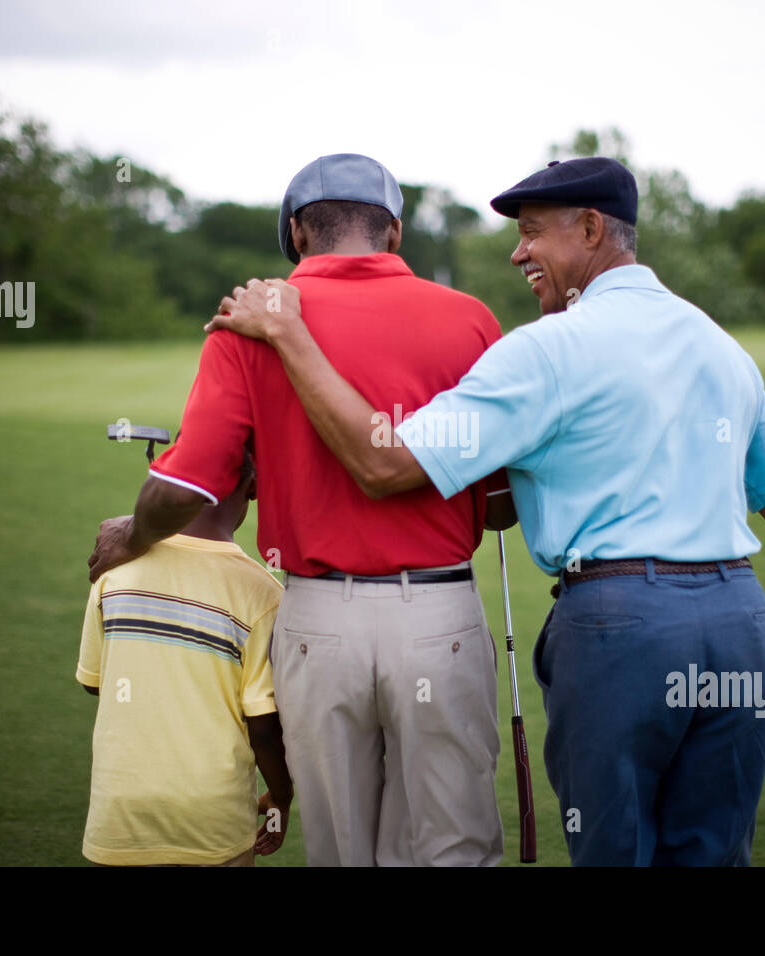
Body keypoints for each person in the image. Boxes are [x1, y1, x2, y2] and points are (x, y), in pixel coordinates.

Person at [205, 156, 765, 867]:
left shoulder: (546, 351)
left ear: (589, 229)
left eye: (531, 233)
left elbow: (385, 463)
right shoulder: (722, 347)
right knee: (715, 854)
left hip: (621, 629)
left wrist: (289, 335)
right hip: (739, 626)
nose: (518, 251)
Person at [87, 153, 515, 867]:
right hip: (440, 618)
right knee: (453, 847)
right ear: (394, 231)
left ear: (296, 232)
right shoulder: (470, 319)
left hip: (319, 623)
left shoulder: (250, 320)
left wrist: (133, 533)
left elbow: (192, 486)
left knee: (341, 854)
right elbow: (500, 507)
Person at [77, 451, 293, 866]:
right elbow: (264, 725)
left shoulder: (113, 569)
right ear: (255, 486)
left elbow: (93, 681)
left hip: (121, 805)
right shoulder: (265, 595)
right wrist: (281, 797)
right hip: (212, 814)